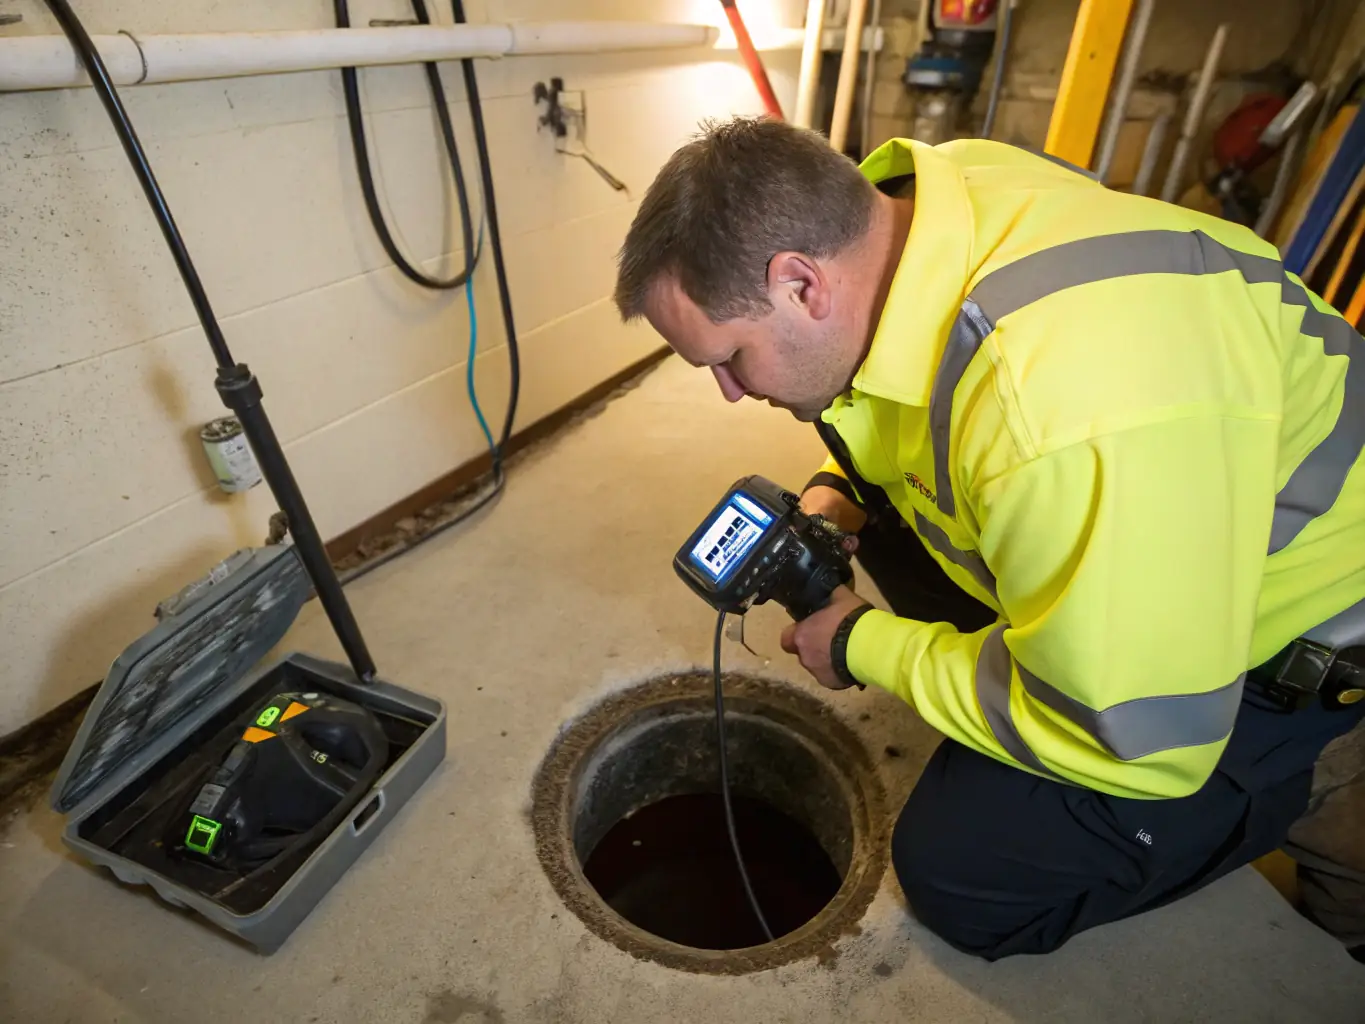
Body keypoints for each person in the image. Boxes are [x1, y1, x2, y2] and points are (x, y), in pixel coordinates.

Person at [613, 116, 1365, 961]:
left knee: (957, 873)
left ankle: (1312, 777)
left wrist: (864, 643)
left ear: (799, 284)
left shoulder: (1058, 412)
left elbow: (1139, 746)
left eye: (727, 356)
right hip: (1158, 488)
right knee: (893, 510)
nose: (725, 393)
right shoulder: (928, 196)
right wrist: (837, 495)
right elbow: (896, 398)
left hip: (1287, 649)